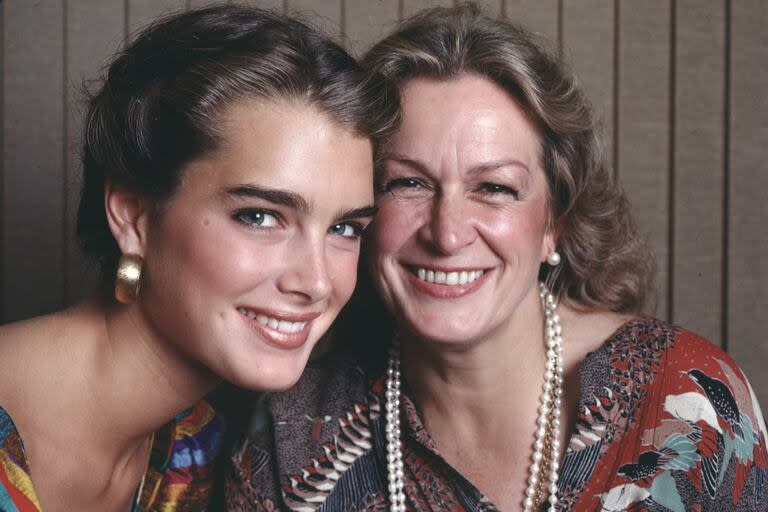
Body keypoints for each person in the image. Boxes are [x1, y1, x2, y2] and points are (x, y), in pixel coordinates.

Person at [226, 4, 768, 512]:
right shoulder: (289, 439)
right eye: (408, 182)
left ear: (553, 221)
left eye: (494, 188)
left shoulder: (689, 400)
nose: (448, 233)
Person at [0, 5, 397, 511]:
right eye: (260, 216)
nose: (317, 282)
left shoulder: (198, 449)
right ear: (132, 215)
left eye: (345, 228)